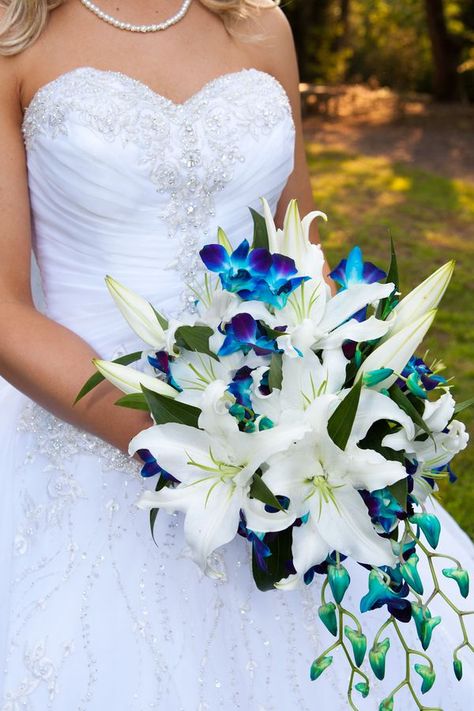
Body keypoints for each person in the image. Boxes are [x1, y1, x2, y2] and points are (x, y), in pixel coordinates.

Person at [0, 1, 472, 708]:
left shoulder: (261, 25)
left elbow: (298, 251)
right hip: (91, 428)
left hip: (291, 435)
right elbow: (5, 310)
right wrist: (177, 437)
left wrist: (331, 401)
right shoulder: (15, 36)